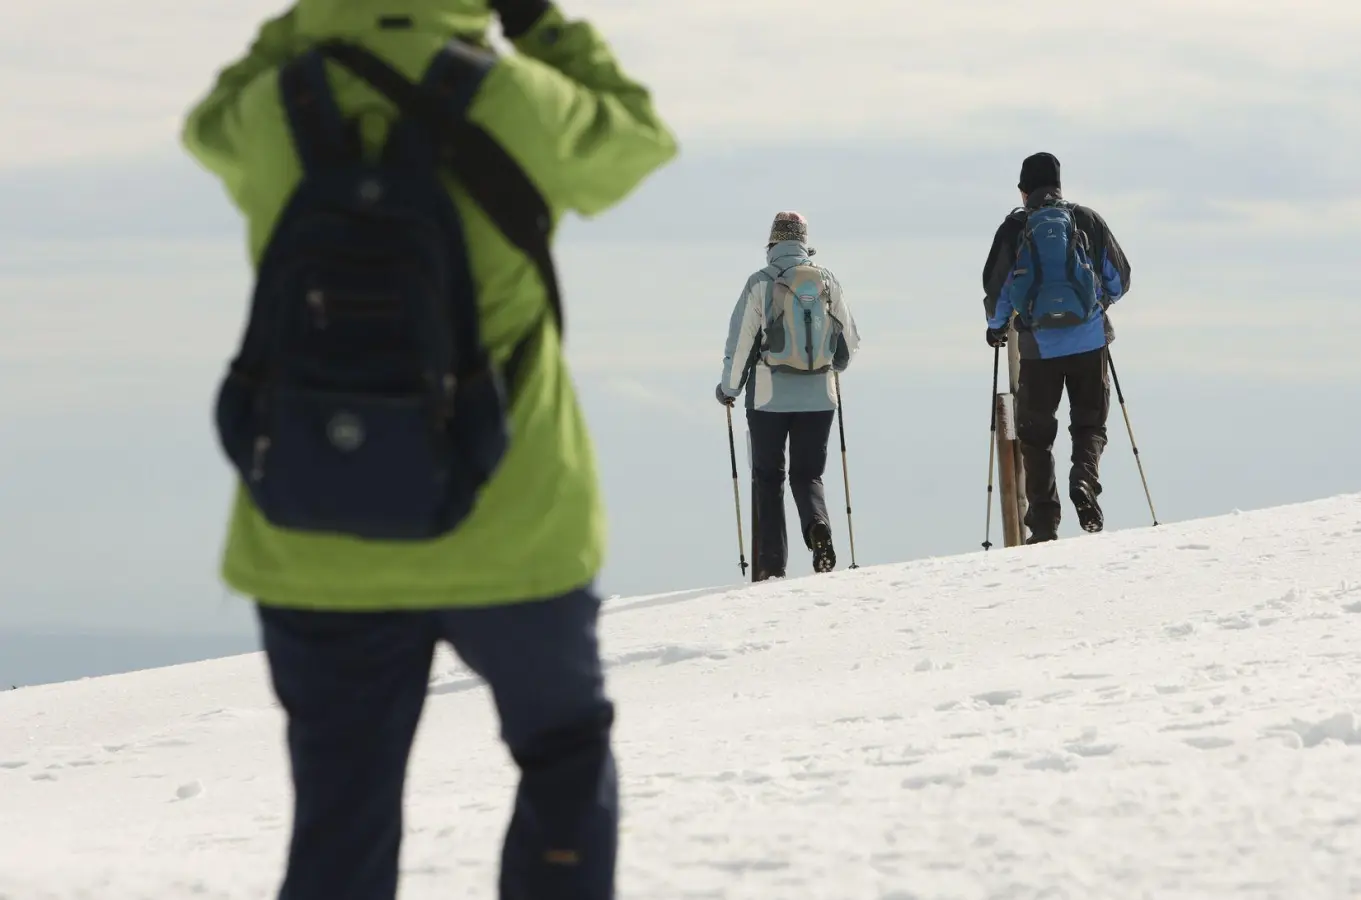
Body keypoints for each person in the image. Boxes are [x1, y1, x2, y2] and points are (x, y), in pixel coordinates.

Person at [181, 0, 676, 897]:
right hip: (514, 524)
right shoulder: (524, 102)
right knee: (563, 759)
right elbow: (639, 136)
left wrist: (307, 23)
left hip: (313, 530)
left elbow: (205, 124)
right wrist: (538, 24)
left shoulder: (274, 107)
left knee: (340, 812)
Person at [982, 152, 1132, 542]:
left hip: (1036, 348)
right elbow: (1120, 278)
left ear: (1023, 189)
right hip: (1089, 342)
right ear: (1060, 185)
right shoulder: (1086, 220)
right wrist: (1097, 305)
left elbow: (997, 289)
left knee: (1035, 435)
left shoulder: (1015, 227)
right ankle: (1084, 480)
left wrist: (997, 328)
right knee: (1089, 424)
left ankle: (1044, 524)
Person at [716, 211, 861, 582]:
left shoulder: (760, 283)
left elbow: (741, 343)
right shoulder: (827, 281)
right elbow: (850, 342)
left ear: (773, 243)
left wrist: (728, 390)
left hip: (768, 398)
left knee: (768, 478)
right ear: (803, 243)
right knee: (808, 474)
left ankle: (770, 566)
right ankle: (817, 525)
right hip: (819, 397)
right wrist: (834, 368)